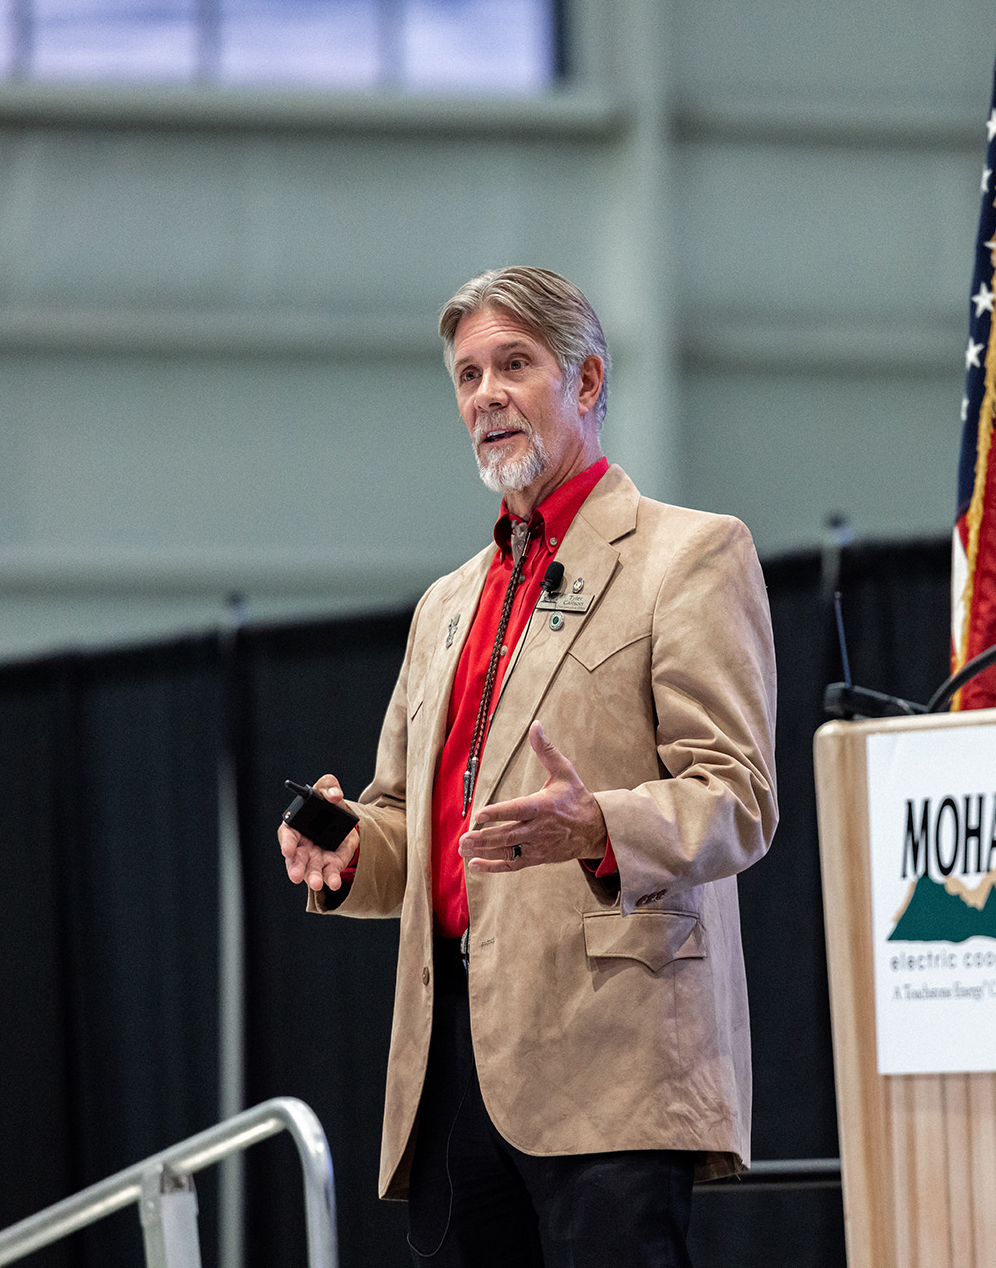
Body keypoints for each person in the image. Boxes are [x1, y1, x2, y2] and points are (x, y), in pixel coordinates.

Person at [278, 266, 779, 1267]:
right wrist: (341, 846)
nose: (485, 396)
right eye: (467, 375)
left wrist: (596, 824)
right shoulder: (443, 606)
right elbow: (403, 831)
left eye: (515, 364)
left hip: (611, 1058)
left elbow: (735, 794)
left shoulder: (687, 556)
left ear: (587, 383)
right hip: (449, 1068)